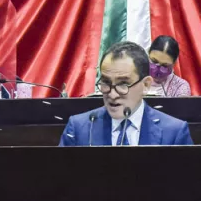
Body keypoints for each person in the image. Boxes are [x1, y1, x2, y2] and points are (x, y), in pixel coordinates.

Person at [59, 41, 194, 146]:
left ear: (145, 85)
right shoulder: (78, 128)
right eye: (106, 82)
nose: (112, 94)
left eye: (123, 84)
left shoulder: (174, 132)